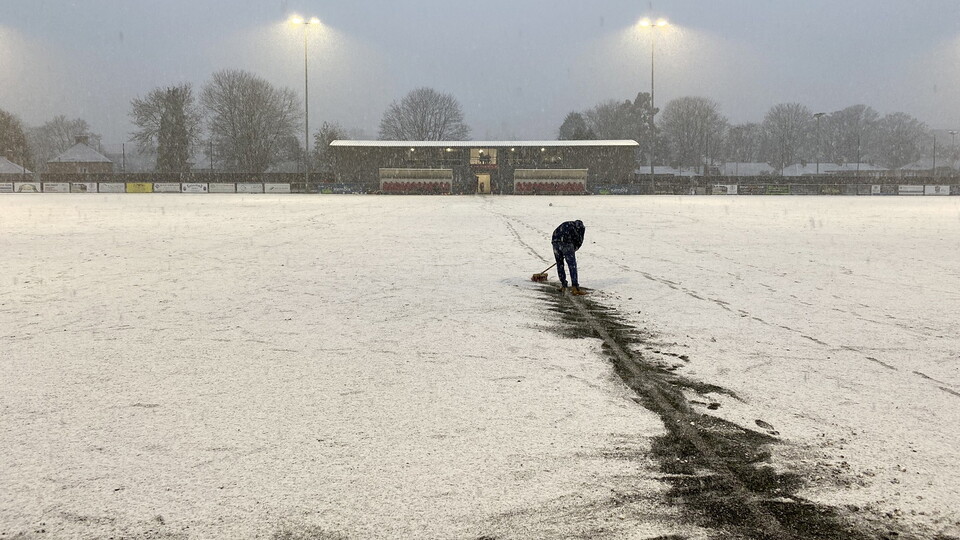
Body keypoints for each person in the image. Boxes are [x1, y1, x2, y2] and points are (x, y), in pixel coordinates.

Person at [551, 220, 586, 295]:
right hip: (566, 243)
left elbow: (556, 233)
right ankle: (575, 287)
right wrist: (572, 250)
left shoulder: (567, 224)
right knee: (572, 265)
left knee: (559, 264)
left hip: (555, 242)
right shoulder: (580, 229)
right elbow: (579, 241)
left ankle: (563, 285)